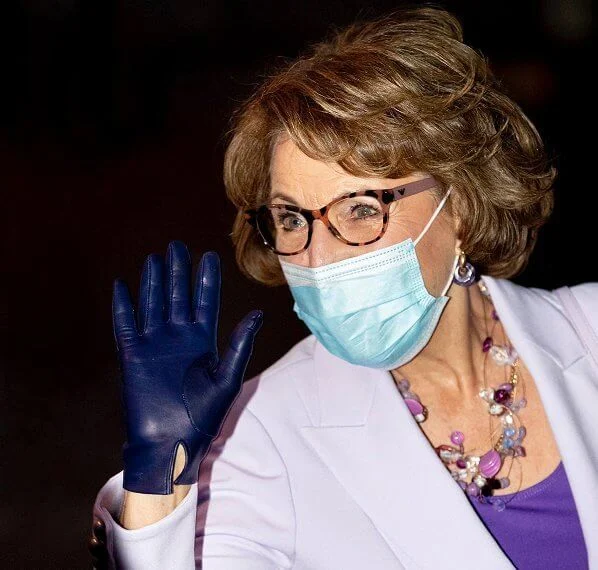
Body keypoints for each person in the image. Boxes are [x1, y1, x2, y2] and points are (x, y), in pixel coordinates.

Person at [89, 6, 597, 569]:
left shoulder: (590, 331)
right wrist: (158, 486)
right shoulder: (259, 437)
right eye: (290, 218)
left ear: (463, 206)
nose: (318, 257)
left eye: (359, 210)